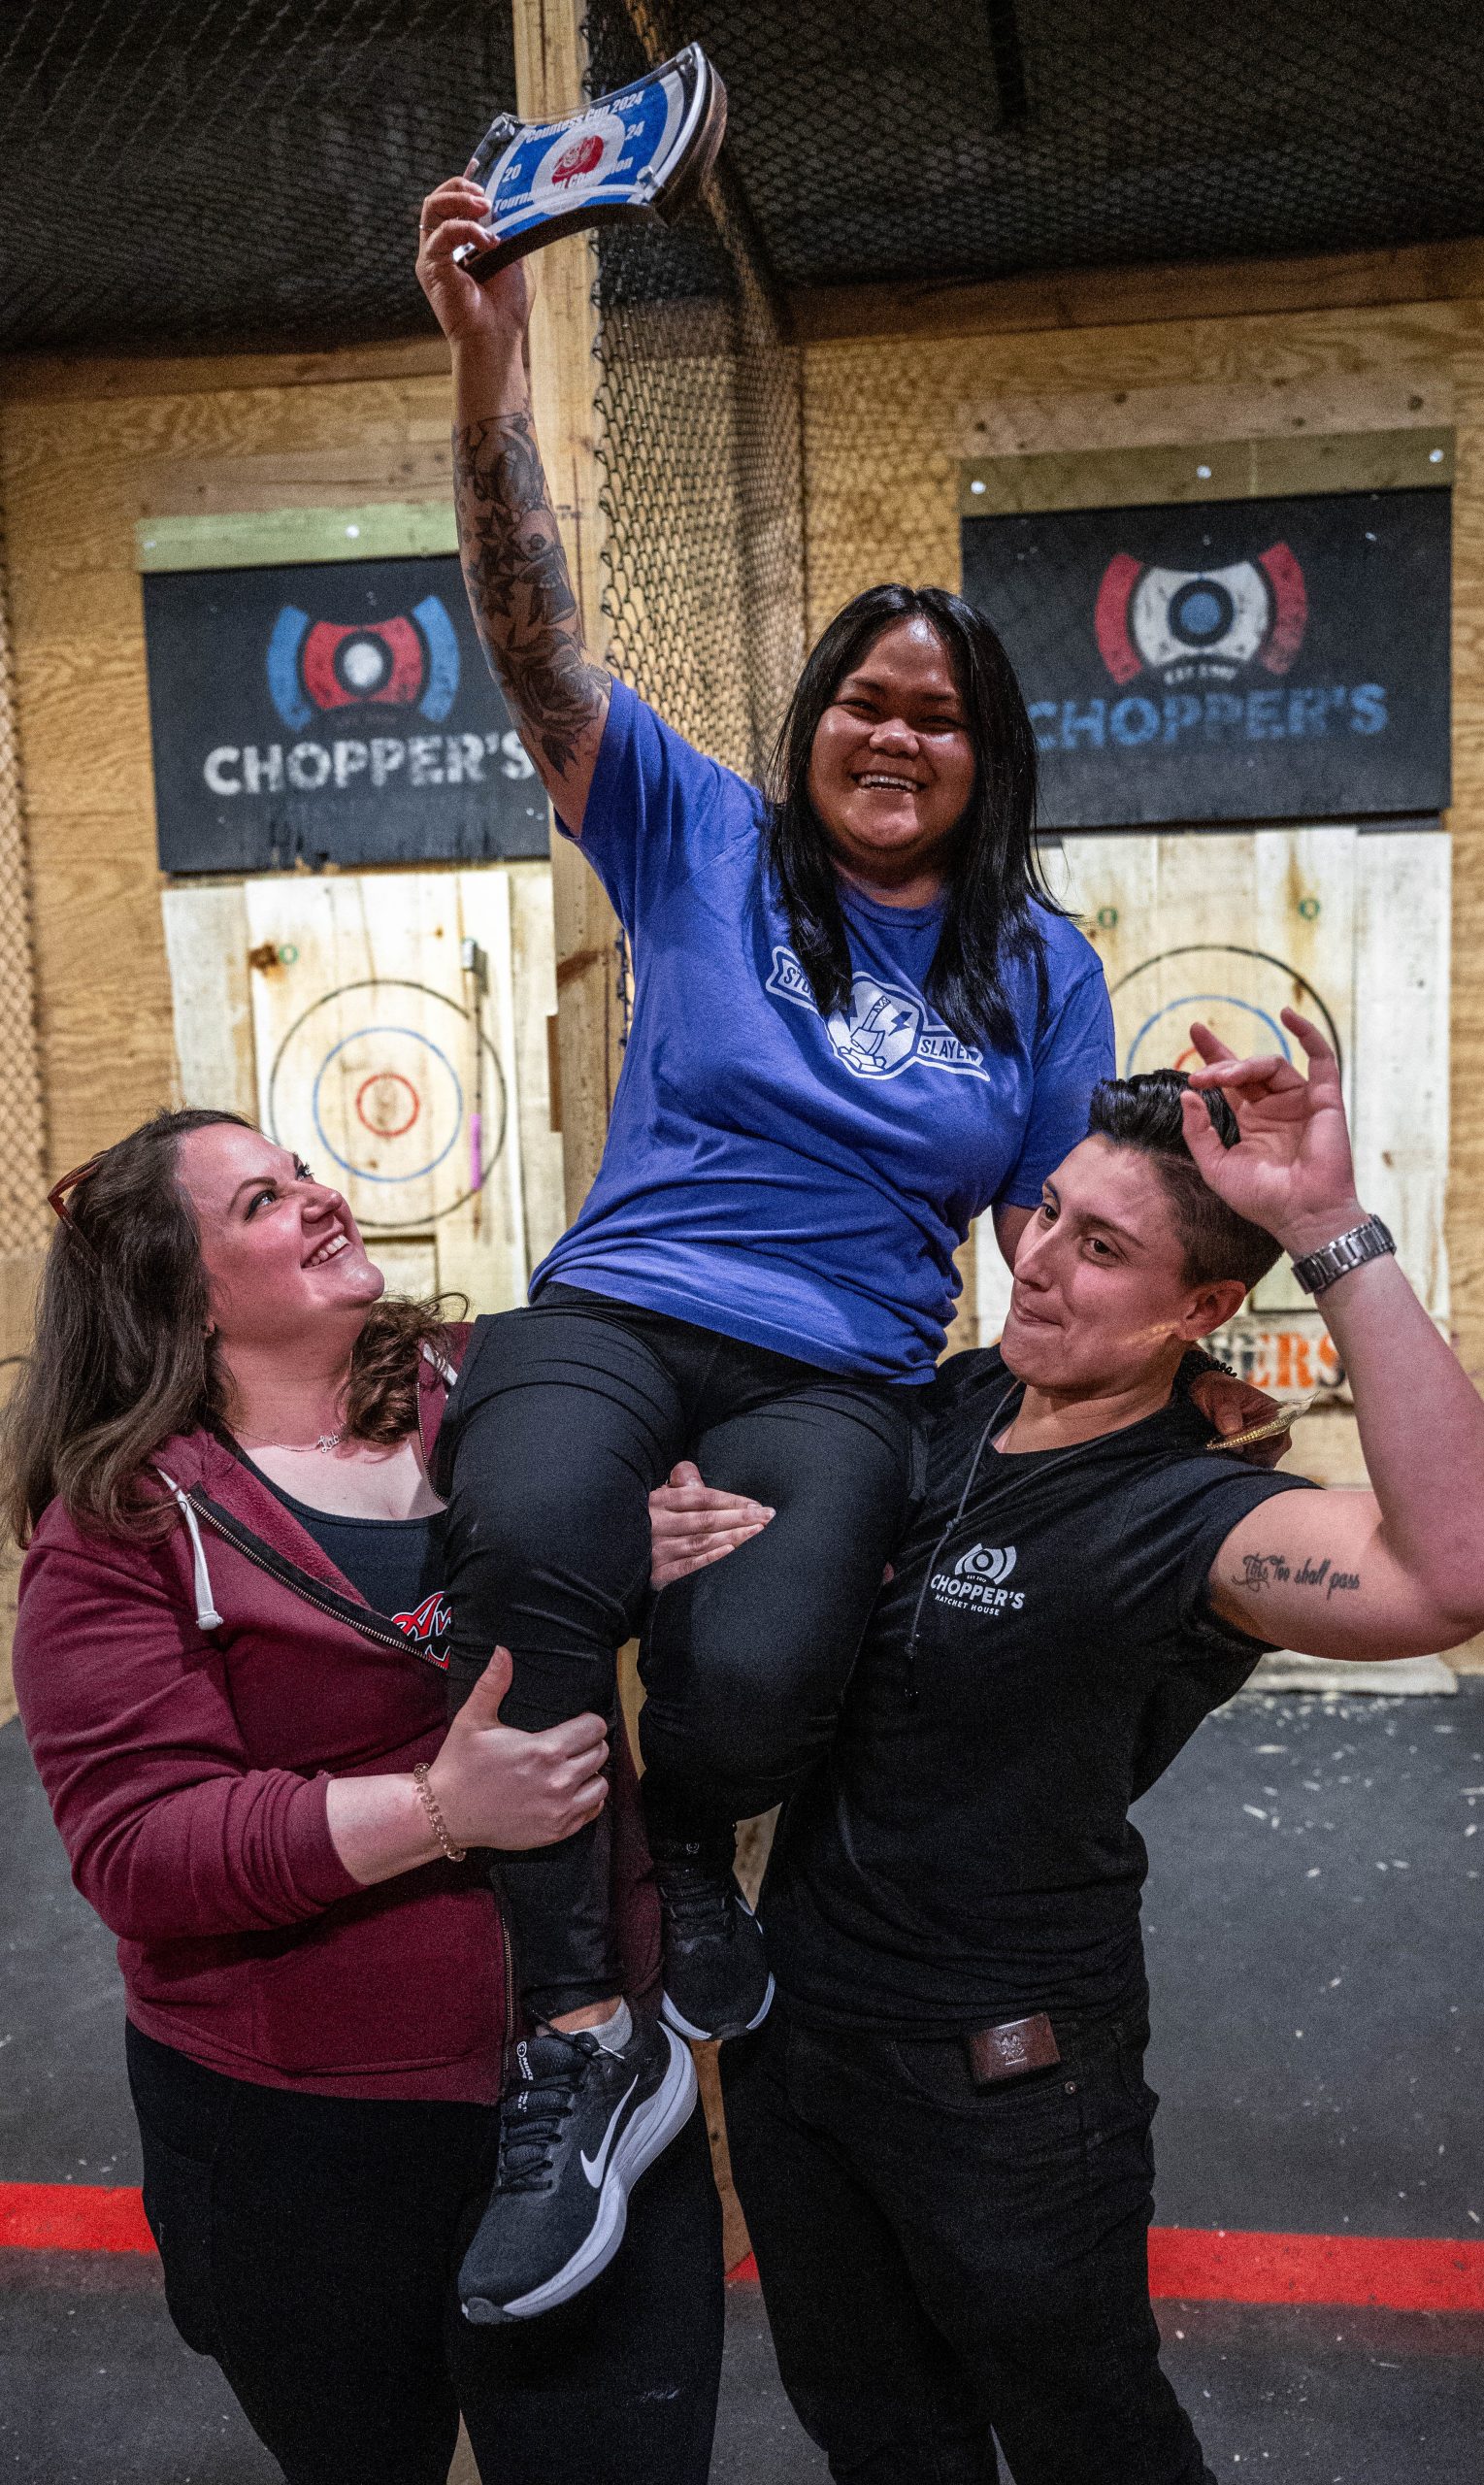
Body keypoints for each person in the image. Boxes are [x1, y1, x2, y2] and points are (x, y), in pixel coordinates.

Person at [414, 169, 1120, 2323]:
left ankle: (692, 1837)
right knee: (533, 1521)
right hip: (625, 1303)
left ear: (987, 759)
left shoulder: (1039, 968)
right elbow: (533, 640)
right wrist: (487, 369)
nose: (894, 734)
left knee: (763, 1668)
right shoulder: (701, 831)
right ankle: (580, 2037)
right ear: (811, 723)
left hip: (844, 1360)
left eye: (939, 714)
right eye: (863, 700)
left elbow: (1055, 1226)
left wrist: (1220, 1265)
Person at [655, 1011, 1484, 2485]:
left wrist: (1331, 1229)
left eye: (1102, 1249)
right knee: (875, 2434)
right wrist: (681, 1530)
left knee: (1089, 2440)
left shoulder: (1194, 1512)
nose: (1036, 1260)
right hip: (798, 2036)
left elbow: (1451, 1574)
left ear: (1199, 1309)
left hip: (1006, 2079)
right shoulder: (943, 1405)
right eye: (1046, 1212)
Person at [6, 1111, 724, 2485]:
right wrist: (439, 1810)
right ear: (181, 1294)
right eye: (262, 1202)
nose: (320, 1197)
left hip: (588, 2094)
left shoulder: (493, 1399)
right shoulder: (119, 1525)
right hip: (302, 2132)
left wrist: (618, 1543)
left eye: (300, 1172)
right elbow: (143, 1847)